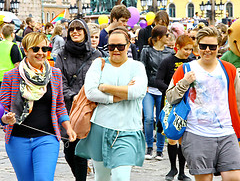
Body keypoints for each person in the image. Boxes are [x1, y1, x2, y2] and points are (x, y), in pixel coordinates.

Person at [166, 27, 240, 181]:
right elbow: (170, 97)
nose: (207, 50)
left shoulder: (229, 70)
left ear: (219, 47)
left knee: (234, 177)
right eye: (203, 46)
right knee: (205, 178)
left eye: (212, 47)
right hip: (197, 134)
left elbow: (238, 101)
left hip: (227, 132)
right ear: (197, 47)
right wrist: (184, 82)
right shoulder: (185, 69)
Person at [0, 32, 76, 181]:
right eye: (35, 49)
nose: (41, 53)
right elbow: (3, 106)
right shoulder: (11, 76)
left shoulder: (55, 74)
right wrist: (5, 118)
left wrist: (68, 127)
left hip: (47, 137)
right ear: (25, 50)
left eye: (45, 49)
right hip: (17, 139)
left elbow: (59, 105)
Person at [75, 26, 148, 181]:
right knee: (101, 177)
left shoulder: (137, 67)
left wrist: (106, 88)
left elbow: (137, 92)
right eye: (111, 46)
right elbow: (91, 92)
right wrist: (115, 97)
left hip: (128, 129)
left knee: (121, 177)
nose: (115, 50)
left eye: (120, 46)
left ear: (128, 45)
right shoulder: (98, 64)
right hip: (100, 127)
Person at [55, 19, 102, 181]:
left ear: (85, 32)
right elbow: (58, 80)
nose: (75, 32)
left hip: (89, 106)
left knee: (80, 151)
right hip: (68, 106)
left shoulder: (96, 55)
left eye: (79, 29)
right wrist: (73, 96)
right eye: (72, 29)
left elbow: (100, 79)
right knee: (69, 150)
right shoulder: (62, 55)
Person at [155, 34, 193, 181]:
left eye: (190, 49)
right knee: (171, 137)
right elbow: (158, 80)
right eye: (185, 49)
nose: (188, 52)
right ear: (177, 47)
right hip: (170, 103)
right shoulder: (168, 61)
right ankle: (172, 168)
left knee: (182, 138)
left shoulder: (191, 63)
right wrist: (172, 91)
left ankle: (182, 172)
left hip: (185, 105)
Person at [140, 26, 174, 160]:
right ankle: (149, 147)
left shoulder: (170, 53)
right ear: (159, 38)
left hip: (163, 90)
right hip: (149, 88)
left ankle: (159, 149)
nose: (169, 38)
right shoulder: (146, 51)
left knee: (162, 119)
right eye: (167, 35)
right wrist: (143, 85)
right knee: (148, 118)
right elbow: (142, 68)